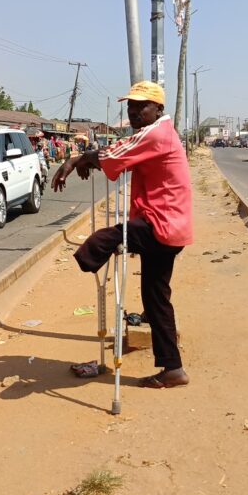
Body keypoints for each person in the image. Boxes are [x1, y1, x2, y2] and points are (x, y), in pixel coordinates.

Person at [52, 81, 193, 389]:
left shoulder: (155, 133)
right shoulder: (157, 133)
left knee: (108, 237)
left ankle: (86, 260)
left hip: (161, 224)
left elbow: (112, 156)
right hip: (171, 226)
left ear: (158, 108)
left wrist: (77, 159)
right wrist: (87, 159)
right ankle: (173, 369)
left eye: (140, 105)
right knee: (156, 300)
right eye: (130, 106)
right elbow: (117, 157)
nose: (133, 111)